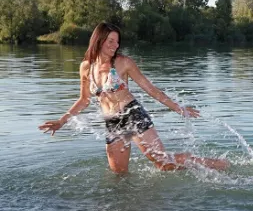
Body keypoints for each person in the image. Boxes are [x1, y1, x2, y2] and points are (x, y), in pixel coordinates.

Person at [39, 22, 228, 173]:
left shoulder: (123, 63)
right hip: (112, 122)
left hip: (132, 115)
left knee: (163, 163)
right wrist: (62, 121)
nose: (116, 45)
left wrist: (178, 108)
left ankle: (217, 164)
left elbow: (151, 90)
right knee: (118, 173)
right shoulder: (85, 67)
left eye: (117, 41)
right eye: (111, 41)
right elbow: (84, 100)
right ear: (99, 40)